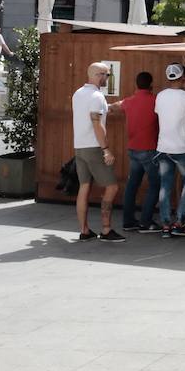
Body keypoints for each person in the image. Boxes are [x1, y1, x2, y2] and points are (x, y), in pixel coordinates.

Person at [72, 62, 124, 242]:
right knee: (112, 186)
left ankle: (84, 230)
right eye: (107, 75)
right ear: (98, 75)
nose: (107, 78)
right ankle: (107, 229)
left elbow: (92, 113)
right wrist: (106, 150)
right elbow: (96, 123)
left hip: (79, 147)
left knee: (84, 187)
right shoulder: (97, 96)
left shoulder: (79, 93)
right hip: (95, 147)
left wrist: (112, 106)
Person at [153, 63, 185, 239]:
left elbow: (160, 117)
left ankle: (165, 224)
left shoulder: (160, 96)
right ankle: (179, 223)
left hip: (163, 147)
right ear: (182, 78)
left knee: (165, 185)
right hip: (182, 148)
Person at [120, 71, 160, 233]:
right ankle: (145, 221)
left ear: (136, 84)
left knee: (132, 185)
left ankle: (128, 221)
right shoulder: (155, 101)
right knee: (155, 184)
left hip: (133, 148)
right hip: (149, 149)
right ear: (151, 84)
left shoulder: (128, 101)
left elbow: (114, 106)